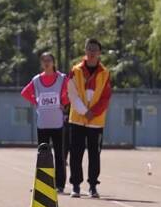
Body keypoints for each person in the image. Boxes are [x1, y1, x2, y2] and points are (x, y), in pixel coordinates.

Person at [67, 39, 112, 198]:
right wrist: (84, 111)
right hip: (78, 119)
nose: (92, 52)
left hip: (96, 121)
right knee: (76, 153)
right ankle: (76, 185)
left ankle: (93, 185)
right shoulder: (75, 70)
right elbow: (72, 94)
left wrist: (94, 112)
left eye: (95, 50)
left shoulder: (105, 73)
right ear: (85, 51)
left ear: (99, 53)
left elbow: (105, 97)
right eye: (89, 49)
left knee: (95, 154)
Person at [21, 52, 69, 193]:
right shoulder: (36, 80)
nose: (46, 63)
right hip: (42, 123)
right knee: (42, 155)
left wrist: (64, 103)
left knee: (60, 156)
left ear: (53, 62)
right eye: (44, 60)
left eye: (49, 60)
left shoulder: (62, 78)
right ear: (41, 63)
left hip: (57, 124)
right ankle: (42, 184)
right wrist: (35, 101)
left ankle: (59, 185)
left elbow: (72, 92)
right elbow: (24, 92)